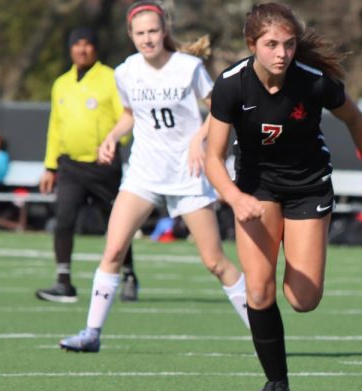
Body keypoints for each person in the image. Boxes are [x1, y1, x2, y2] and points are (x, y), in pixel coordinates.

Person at [205, 3, 362, 391]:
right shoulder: (231, 85)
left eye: (289, 44)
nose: (281, 53)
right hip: (255, 190)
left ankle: (300, 249)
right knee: (258, 291)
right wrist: (235, 197)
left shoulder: (313, 82)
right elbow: (213, 157)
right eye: (271, 44)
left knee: (303, 300)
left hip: (309, 186)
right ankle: (277, 384)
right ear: (251, 44)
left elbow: (356, 120)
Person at [59, 1, 249, 352]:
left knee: (214, 262)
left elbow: (222, 110)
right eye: (140, 32)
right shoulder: (126, 71)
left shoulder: (188, 68)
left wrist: (199, 139)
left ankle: (262, 331)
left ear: (165, 32)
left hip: (187, 174)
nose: (147, 38)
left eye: (153, 31)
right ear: (131, 35)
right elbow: (131, 114)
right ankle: (91, 333)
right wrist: (112, 137)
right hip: (144, 174)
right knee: (114, 248)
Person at [36, 27, 140, 304]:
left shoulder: (111, 78)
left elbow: (126, 117)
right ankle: (63, 281)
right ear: (70, 49)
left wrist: (113, 143)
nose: (82, 49)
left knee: (116, 224)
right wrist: (50, 166)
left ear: (96, 48)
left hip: (102, 166)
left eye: (87, 44)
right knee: (64, 221)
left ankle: (129, 275)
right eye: (77, 44)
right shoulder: (61, 83)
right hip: (70, 166)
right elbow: (55, 127)